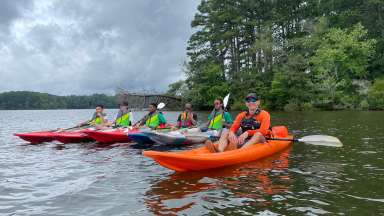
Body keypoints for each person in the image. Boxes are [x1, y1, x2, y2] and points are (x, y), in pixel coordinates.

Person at [205, 93, 270, 152]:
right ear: (246, 104)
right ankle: (219, 151)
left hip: (261, 139)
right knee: (226, 132)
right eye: (248, 101)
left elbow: (264, 131)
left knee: (258, 134)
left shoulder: (265, 114)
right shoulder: (241, 115)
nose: (251, 102)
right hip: (245, 139)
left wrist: (248, 132)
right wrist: (231, 133)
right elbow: (233, 127)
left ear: (258, 102)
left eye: (253, 100)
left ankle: (239, 152)